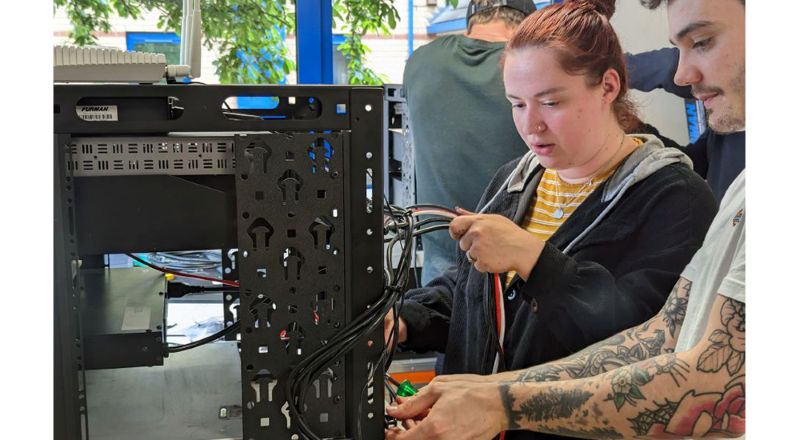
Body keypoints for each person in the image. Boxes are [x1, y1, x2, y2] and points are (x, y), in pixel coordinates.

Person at [385, 0, 746, 438]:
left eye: (551, 102)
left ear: (608, 87)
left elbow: (645, 343)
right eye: (517, 104)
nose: (531, 125)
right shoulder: (514, 181)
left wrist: (536, 261)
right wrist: (406, 320)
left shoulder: (673, 197)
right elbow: (476, 297)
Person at [402, 0, 535, 285]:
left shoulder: (421, 62)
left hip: (440, 263)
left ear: (472, 20)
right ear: (528, 25)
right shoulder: (530, 68)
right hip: (515, 263)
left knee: (438, 311)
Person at [626, 47, 745, 201]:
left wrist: (615, 67)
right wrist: (635, 129)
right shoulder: (726, 118)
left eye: (704, 42)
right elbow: (696, 163)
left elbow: (675, 69)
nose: (681, 77)